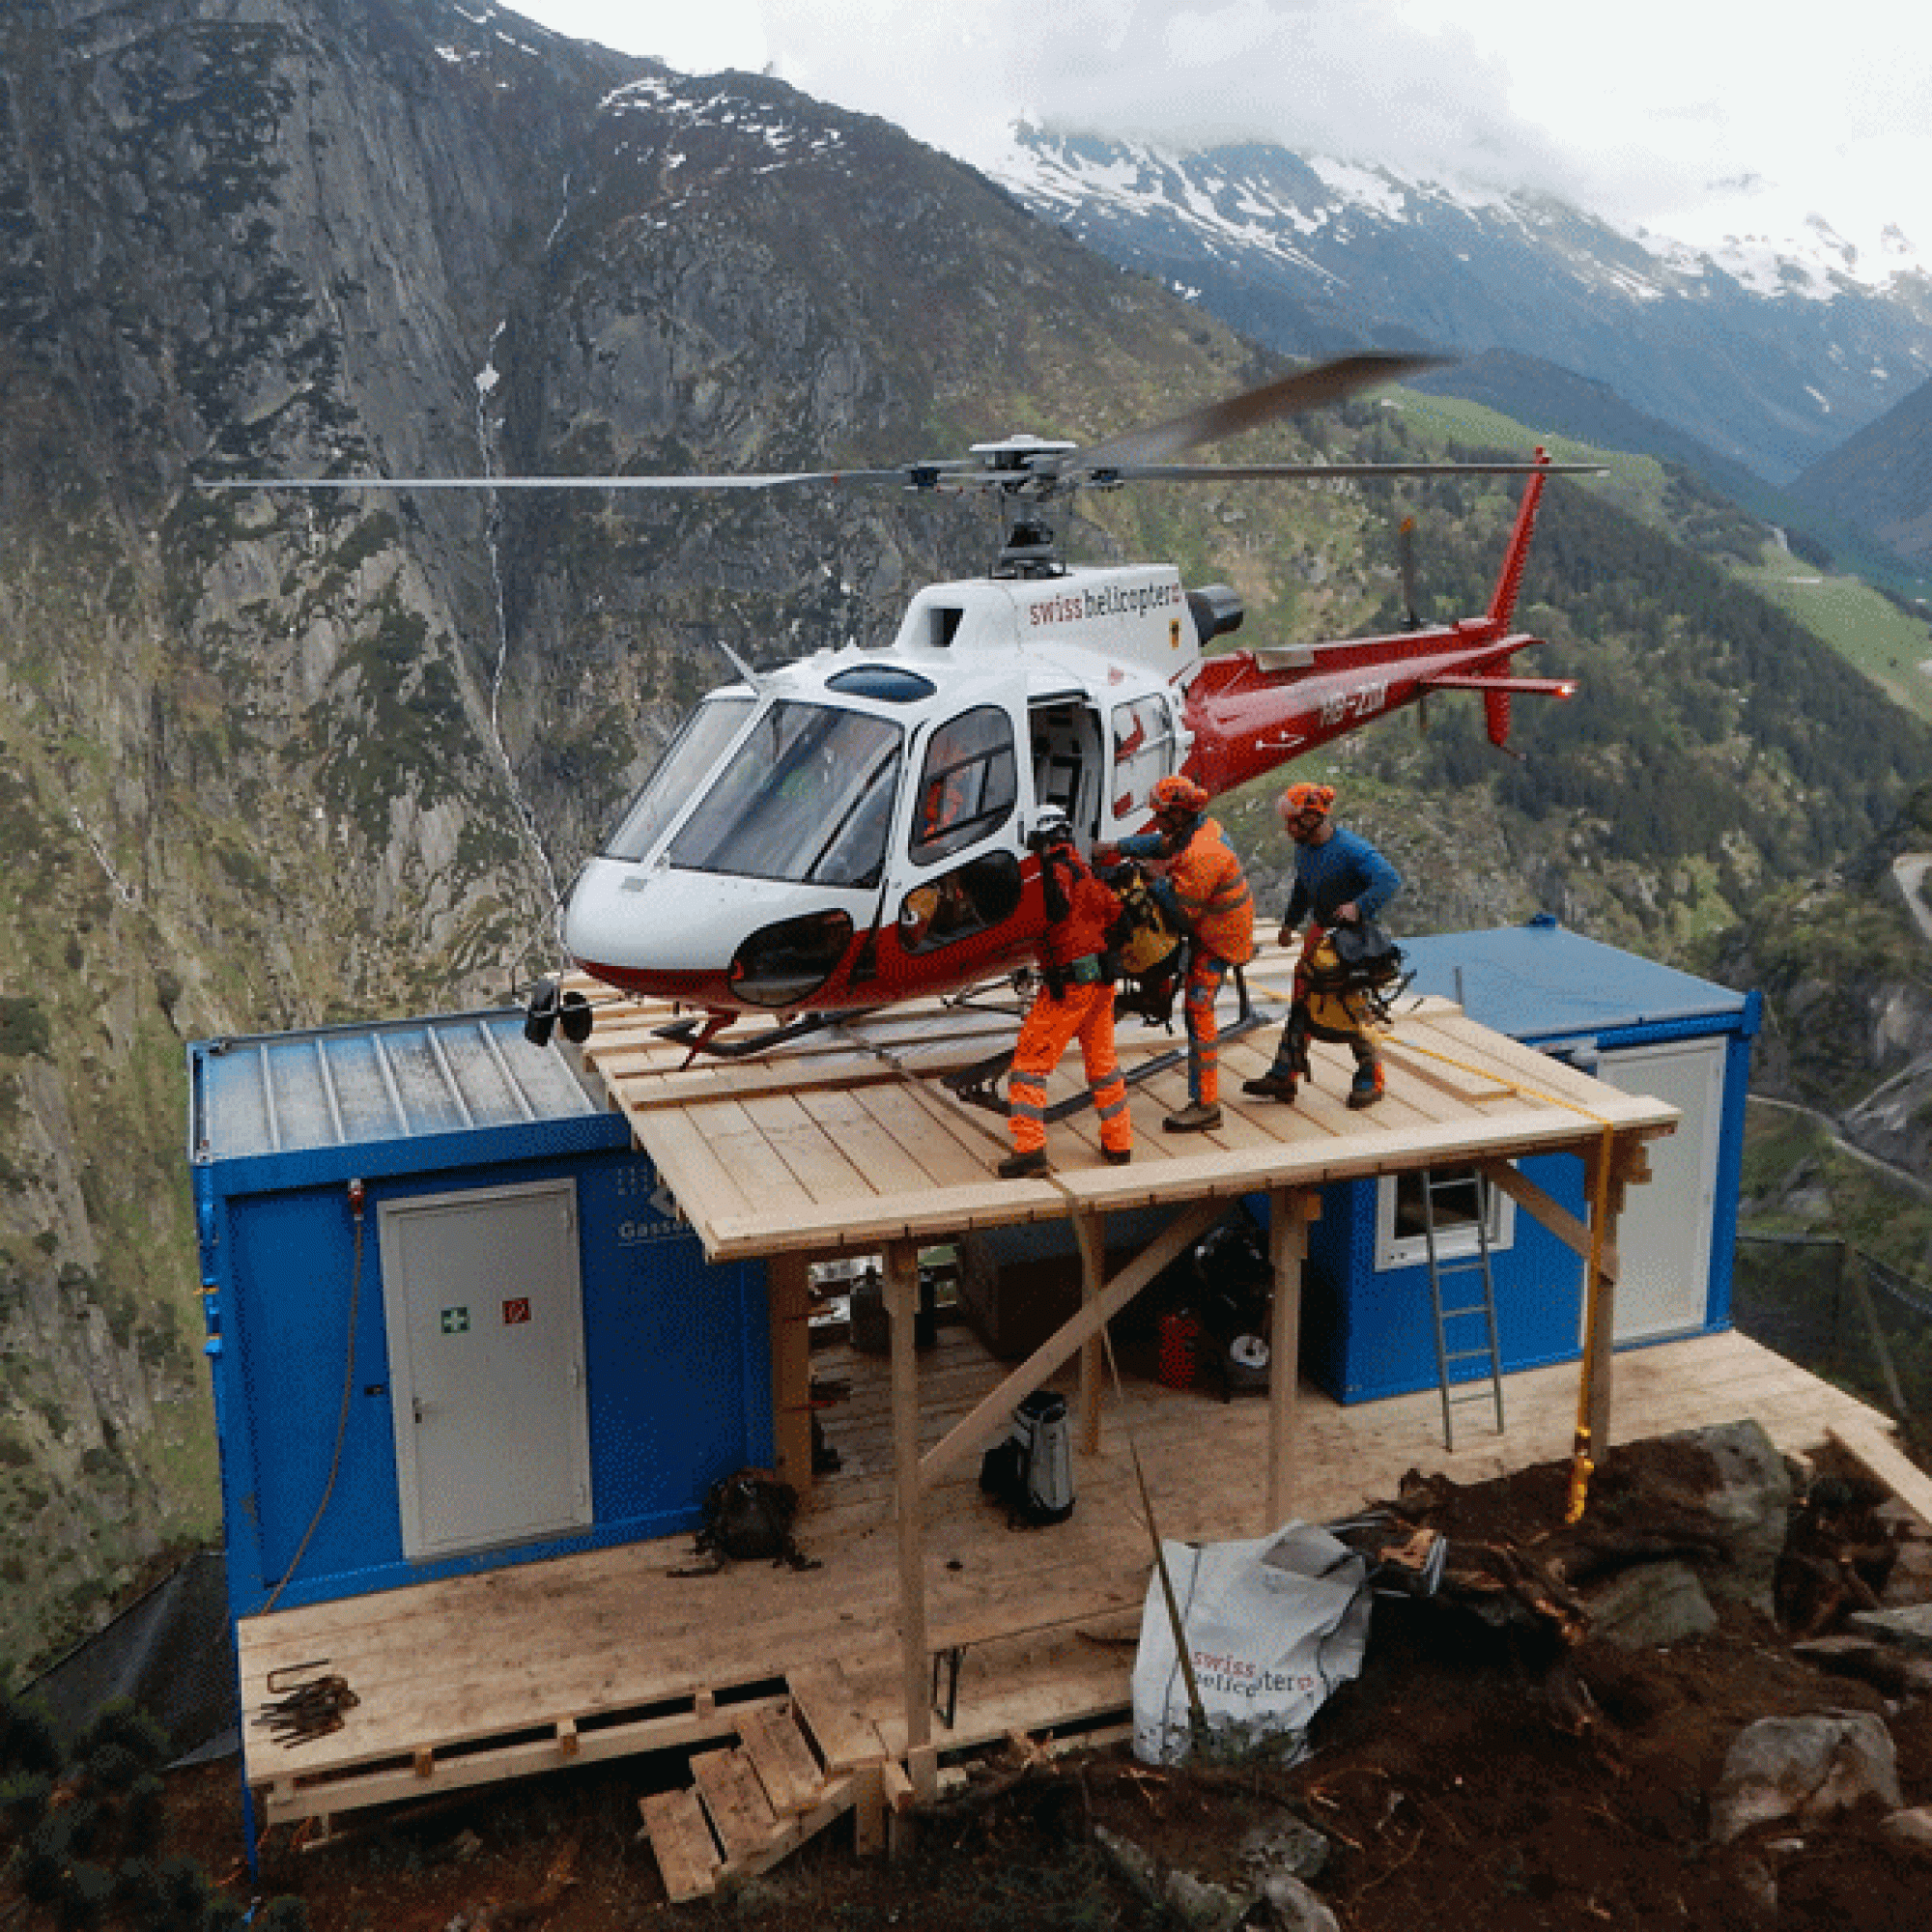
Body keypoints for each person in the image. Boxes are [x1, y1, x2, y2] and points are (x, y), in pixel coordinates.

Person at [1097, 775, 1254, 1134]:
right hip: (1213, 925)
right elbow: (1160, 845)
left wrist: (1153, 883)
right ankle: (1156, 997)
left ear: (1181, 815)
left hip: (1219, 939)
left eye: (1162, 815)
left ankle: (1206, 1105)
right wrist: (1116, 847)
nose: (1157, 821)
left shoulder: (1202, 854)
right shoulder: (1198, 831)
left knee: (1198, 1011)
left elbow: (1182, 917)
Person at [1244, 781, 1402, 1110]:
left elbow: (1388, 879)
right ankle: (1285, 1073)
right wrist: (1290, 923)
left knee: (1351, 1005)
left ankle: (1370, 1077)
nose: (1287, 828)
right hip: (1321, 935)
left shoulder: (1352, 849)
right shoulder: (1306, 848)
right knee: (1303, 998)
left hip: (1351, 941)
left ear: (1312, 818)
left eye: (1292, 821)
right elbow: (1303, 886)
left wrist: (1358, 906)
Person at [999, 810, 1134, 1179]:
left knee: (1028, 1067)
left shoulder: (1053, 874)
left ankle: (1029, 1150)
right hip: (1101, 982)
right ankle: (1118, 1143)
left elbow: (1054, 913)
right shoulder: (1085, 871)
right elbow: (1118, 916)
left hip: (1070, 983)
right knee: (1103, 1063)